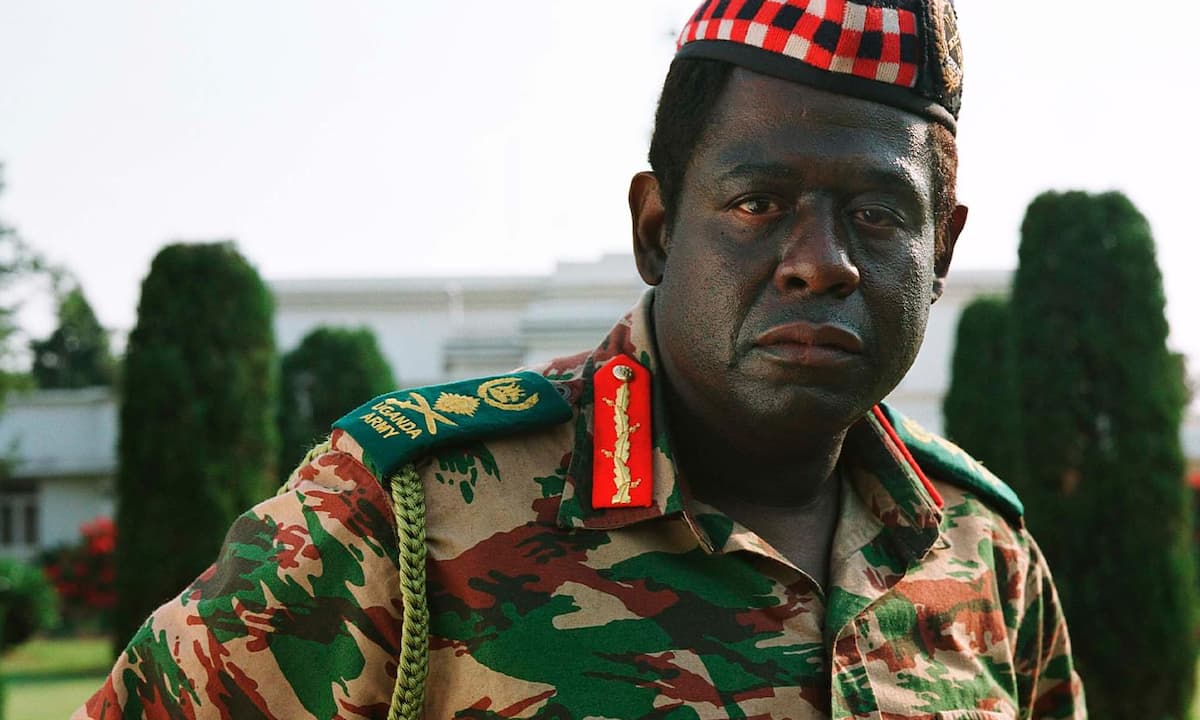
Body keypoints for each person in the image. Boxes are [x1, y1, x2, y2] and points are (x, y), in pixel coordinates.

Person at [77, 1, 1086, 718]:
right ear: (656, 229)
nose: (821, 263)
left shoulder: (983, 552)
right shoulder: (406, 512)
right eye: (757, 203)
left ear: (939, 252)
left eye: (876, 214)